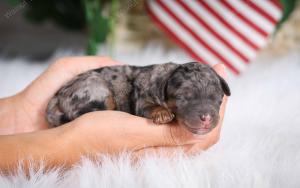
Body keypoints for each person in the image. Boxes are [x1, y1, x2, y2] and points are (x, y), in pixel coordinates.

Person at [0, 56, 228, 173]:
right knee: (100, 94)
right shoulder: (153, 84)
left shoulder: (171, 82)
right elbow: (143, 105)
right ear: (164, 89)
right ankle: (77, 118)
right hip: (90, 91)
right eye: (186, 98)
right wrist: (68, 143)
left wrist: (19, 113)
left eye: (214, 99)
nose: (206, 115)